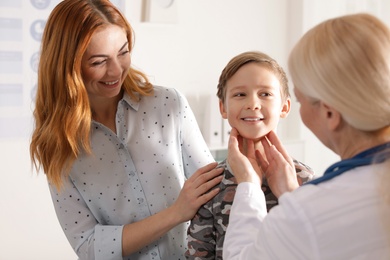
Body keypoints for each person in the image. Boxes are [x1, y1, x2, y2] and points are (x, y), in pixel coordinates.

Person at [29, 0, 224, 259]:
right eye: (98, 61)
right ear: (67, 66)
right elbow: (88, 245)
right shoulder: (57, 144)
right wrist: (176, 213)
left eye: (123, 52)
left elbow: (215, 194)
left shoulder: (168, 104)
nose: (116, 70)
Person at [223, 13, 390, 259]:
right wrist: (292, 194)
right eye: (240, 95)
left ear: (330, 113)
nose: (253, 105)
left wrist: (249, 185)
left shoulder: (309, 211)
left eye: (299, 100)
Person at [186, 51, 314, 259]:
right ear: (223, 107)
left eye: (265, 94)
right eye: (240, 94)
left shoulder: (304, 179)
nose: (252, 104)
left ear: (285, 106)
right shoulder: (210, 183)